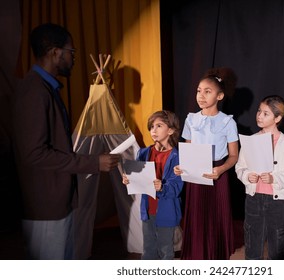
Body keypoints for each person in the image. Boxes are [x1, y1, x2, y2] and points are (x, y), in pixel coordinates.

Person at [11, 23, 120, 260]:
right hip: (46, 208)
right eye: (72, 52)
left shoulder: (47, 89)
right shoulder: (34, 91)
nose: (73, 58)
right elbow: (34, 154)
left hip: (58, 203)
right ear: (55, 52)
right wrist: (94, 163)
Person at [174, 67, 239, 260]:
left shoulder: (228, 122)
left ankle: (215, 257)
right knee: (196, 216)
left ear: (220, 96)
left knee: (215, 217)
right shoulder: (191, 119)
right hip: (195, 174)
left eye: (207, 91)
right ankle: (196, 256)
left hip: (216, 173)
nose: (201, 96)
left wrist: (220, 169)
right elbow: (188, 151)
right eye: (198, 90)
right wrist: (181, 167)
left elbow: (233, 156)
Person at [235, 95, 284, 260]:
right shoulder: (251, 140)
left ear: (277, 118)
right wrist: (247, 176)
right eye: (259, 111)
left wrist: (274, 178)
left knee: (278, 243)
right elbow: (240, 167)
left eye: (265, 113)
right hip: (254, 198)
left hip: (276, 201)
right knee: (252, 240)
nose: (259, 116)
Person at [123, 110, 183, 259]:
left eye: (159, 126)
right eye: (151, 127)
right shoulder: (143, 153)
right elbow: (138, 177)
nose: (153, 130)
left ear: (171, 130)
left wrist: (162, 187)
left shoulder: (177, 156)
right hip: (148, 209)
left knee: (165, 249)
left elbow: (177, 186)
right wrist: (129, 179)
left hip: (166, 211)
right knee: (148, 248)